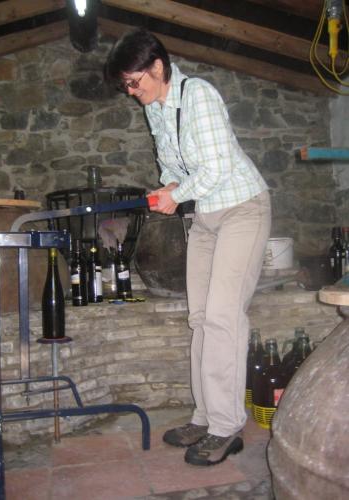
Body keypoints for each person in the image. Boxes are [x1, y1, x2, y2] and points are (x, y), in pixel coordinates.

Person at [104, 28, 271, 467]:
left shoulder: (198, 96)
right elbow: (173, 167)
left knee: (222, 317)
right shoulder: (157, 110)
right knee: (200, 319)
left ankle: (226, 426)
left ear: (157, 68)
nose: (130, 91)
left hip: (241, 209)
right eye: (126, 85)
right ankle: (205, 415)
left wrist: (177, 195)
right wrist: (169, 189)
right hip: (205, 217)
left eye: (134, 81)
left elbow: (215, 168)